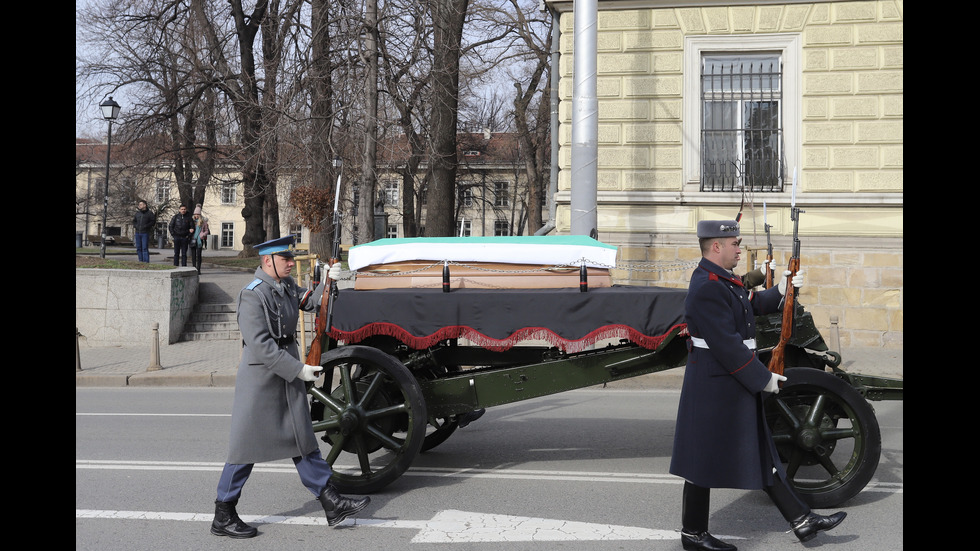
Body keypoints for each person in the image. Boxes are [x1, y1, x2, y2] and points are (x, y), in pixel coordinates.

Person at [669, 219, 845, 551]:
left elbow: (748, 305)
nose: (739, 249)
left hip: (728, 383)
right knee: (700, 462)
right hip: (716, 387)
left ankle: (802, 520)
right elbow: (726, 345)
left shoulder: (722, 281)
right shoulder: (707, 286)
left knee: (761, 452)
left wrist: (782, 291)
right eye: (735, 244)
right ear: (716, 246)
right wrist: (763, 379)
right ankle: (693, 534)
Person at [211, 236, 370, 538]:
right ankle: (224, 512)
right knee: (245, 450)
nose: (290, 262)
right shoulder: (253, 295)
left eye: (290, 257)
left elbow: (311, 301)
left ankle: (331, 503)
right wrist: (299, 370)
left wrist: (330, 281)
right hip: (261, 380)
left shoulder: (284, 288)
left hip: (287, 376)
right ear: (267, 261)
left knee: (303, 441)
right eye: (285, 258)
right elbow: (259, 346)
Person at [189, 204, 211, 273]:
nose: (196, 215)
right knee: (193, 255)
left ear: (200, 215)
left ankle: (198, 269)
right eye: (195, 214)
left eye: (198, 214)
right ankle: (193, 268)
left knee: (199, 255)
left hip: (199, 240)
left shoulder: (203, 222)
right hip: (193, 239)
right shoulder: (191, 221)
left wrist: (202, 235)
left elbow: (207, 231)